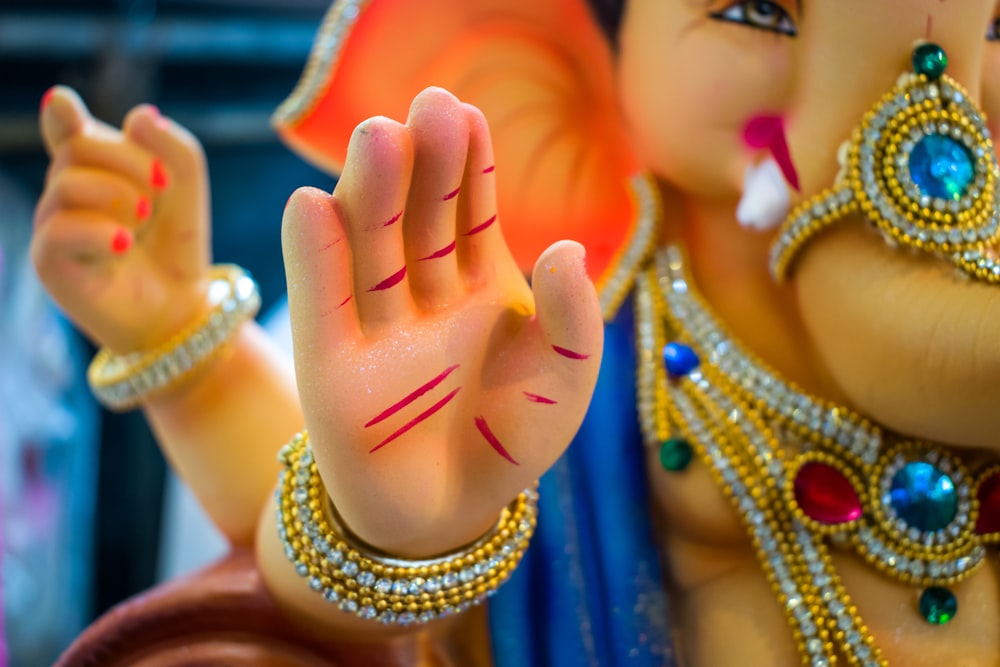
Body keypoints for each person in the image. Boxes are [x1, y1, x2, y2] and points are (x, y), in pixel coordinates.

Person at [31, 0, 1000, 664]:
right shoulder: (548, 321)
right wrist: (189, 350)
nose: (923, 103)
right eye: (752, 6)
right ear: (561, 53)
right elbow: (367, 498)